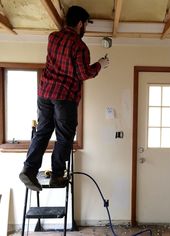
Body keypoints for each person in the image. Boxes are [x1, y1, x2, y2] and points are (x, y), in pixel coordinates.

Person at [19, 5, 109, 191]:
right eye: (85, 25)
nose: (85, 29)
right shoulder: (80, 46)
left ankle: (28, 170)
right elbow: (83, 74)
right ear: (80, 23)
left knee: (43, 132)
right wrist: (100, 64)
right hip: (64, 97)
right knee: (64, 137)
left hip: (45, 93)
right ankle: (57, 175)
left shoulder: (53, 37)